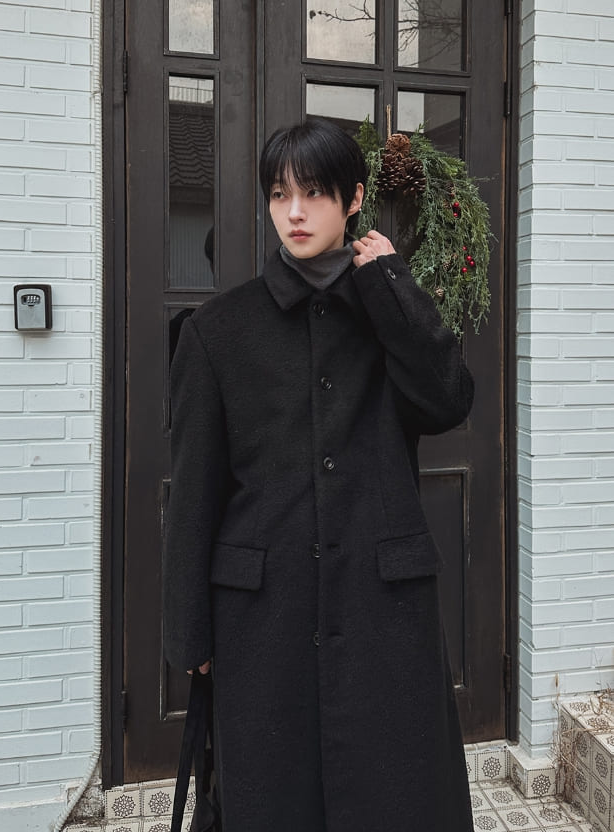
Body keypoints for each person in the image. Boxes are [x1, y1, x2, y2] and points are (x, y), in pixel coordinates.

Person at [164, 118, 475, 831]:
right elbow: (195, 493)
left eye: (314, 193)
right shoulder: (217, 331)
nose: (295, 212)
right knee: (273, 796)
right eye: (280, 194)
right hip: (261, 612)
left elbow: (447, 402)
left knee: (394, 797)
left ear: (354, 198)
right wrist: (191, 632)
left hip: (382, 605)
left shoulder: (387, 311)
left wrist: (391, 282)